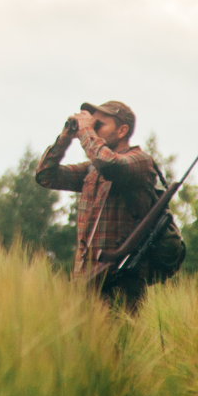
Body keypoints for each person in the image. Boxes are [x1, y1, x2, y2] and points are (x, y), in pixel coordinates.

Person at [34, 100, 160, 312]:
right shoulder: (93, 169)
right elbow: (46, 176)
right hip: (86, 279)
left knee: (120, 342)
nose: (93, 129)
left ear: (122, 131)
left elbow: (110, 165)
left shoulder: (139, 161)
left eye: (99, 125)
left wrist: (85, 130)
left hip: (121, 280)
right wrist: (65, 137)